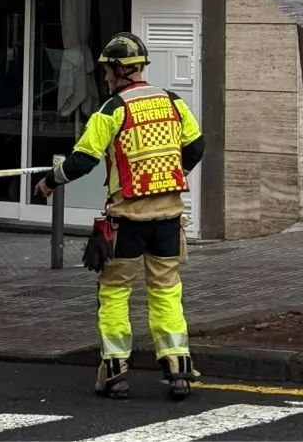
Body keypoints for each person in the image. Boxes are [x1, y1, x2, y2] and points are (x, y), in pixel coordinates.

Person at [34, 32, 205, 400]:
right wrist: (170, 177)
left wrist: (49, 182)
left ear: (116, 70)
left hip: (125, 220)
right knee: (166, 291)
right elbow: (196, 146)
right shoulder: (173, 103)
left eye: (107, 71)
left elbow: (82, 160)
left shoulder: (112, 110)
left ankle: (114, 370)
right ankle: (177, 367)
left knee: (113, 292)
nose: (105, 78)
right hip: (168, 219)